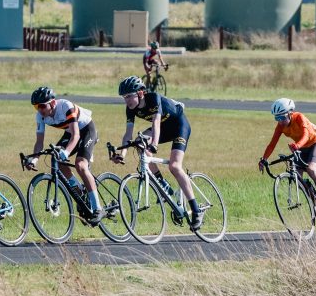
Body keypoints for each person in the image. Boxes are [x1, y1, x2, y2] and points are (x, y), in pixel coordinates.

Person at [111, 75, 202, 230]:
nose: (126, 101)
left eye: (129, 96)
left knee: (174, 166)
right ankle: (162, 182)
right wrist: (122, 154)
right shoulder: (130, 109)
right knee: (139, 145)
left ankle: (196, 210)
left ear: (140, 93)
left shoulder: (153, 98)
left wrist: (154, 145)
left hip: (179, 126)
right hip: (162, 129)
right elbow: (128, 134)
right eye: (124, 97)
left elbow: (156, 123)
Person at [22, 86, 104, 225]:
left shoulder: (65, 106)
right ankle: (79, 190)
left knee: (81, 165)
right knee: (57, 161)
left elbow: (76, 134)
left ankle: (98, 208)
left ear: (53, 103)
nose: (39, 110)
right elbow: (39, 142)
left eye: (42, 106)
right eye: (36, 107)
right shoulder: (40, 116)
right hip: (70, 132)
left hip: (86, 130)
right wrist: (35, 159)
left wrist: (66, 152)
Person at [258, 98, 316, 215]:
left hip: (315, 144)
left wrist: (297, 145)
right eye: (276, 118)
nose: (280, 121)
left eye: (282, 117)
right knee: (297, 178)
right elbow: (272, 143)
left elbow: (306, 135)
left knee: (311, 169)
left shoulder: (299, 118)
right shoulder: (280, 126)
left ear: (290, 113)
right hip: (301, 149)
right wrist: (264, 159)